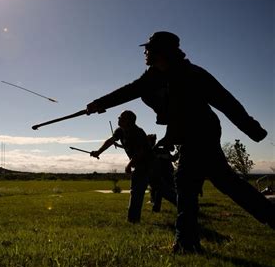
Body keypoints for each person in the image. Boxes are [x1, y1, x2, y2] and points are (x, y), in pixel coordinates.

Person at [86, 31, 274, 253]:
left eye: (149, 49)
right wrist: (100, 103)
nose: (144, 53)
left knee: (188, 182)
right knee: (222, 182)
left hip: (203, 131)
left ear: (161, 53)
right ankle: (190, 240)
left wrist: (254, 130)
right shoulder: (154, 77)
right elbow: (131, 91)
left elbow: (227, 102)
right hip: (186, 135)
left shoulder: (194, 75)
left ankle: (186, 242)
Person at [90, 110, 153, 223]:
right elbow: (110, 141)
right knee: (161, 189)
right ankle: (133, 219)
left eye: (120, 117)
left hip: (149, 163)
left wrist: (129, 165)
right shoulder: (120, 131)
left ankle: (133, 220)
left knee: (139, 190)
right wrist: (98, 152)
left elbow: (141, 152)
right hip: (139, 164)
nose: (118, 119)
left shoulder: (138, 132)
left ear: (128, 120)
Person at [147, 134, 177, 212]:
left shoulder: (160, 150)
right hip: (162, 173)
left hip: (166, 172)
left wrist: (179, 152)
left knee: (164, 190)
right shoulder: (155, 150)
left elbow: (173, 158)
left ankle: (181, 203)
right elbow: (173, 158)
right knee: (160, 190)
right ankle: (156, 207)